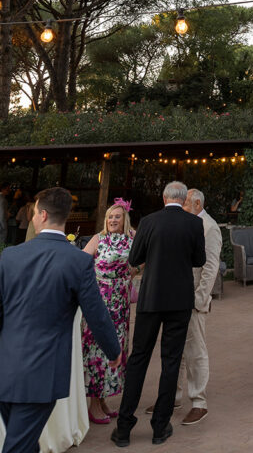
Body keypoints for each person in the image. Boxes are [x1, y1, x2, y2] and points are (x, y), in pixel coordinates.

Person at [0, 186, 120, 453]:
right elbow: (96, 314)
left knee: (21, 443)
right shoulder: (77, 261)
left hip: (5, 368)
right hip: (42, 372)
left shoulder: (9, 257)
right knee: (19, 446)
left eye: (33, 212)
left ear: (42, 215)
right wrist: (114, 350)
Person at [111, 181, 206, 448]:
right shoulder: (193, 223)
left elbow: (135, 257)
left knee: (139, 358)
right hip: (179, 301)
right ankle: (160, 427)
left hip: (151, 298)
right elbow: (199, 260)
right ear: (182, 198)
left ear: (164, 197)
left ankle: (124, 427)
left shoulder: (149, 222)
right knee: (171, 361)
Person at [171, 188, 222, 427]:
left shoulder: (209, 227)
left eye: (185, 204)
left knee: (196, 351)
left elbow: (210, 268)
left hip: (193, 301)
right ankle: (174, 396)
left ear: (197, 203)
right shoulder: (188, 223)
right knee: (177, 350)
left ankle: (199, 402)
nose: (181, 208)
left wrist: (199, 300)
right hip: (178, 297)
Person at [82, 198, 136, 424]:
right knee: (98, 352)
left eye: (117, 216)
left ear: (124, 219)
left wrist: (132, 272)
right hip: (100, 305)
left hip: (121, 306)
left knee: (116, 350)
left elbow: (141, 262)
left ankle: (102, 401)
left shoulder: (131, 238)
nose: (113, 220)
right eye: (110, 217)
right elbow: (81, 263)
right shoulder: (98, 239)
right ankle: (93, 405)